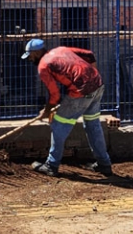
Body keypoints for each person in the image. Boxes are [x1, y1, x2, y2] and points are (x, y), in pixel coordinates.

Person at [21, 38, 113, 177]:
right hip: (98, 85)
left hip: (81, 92)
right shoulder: (61, 50)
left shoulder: (43, 66)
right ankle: (104, 164)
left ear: (38, 52)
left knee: (58, 124)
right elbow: (89, 54)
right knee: (92, 124)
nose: (30, 59)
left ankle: (51, 165)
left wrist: (46, 112)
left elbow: (54, 94)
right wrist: (91, 74)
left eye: (31, 55)